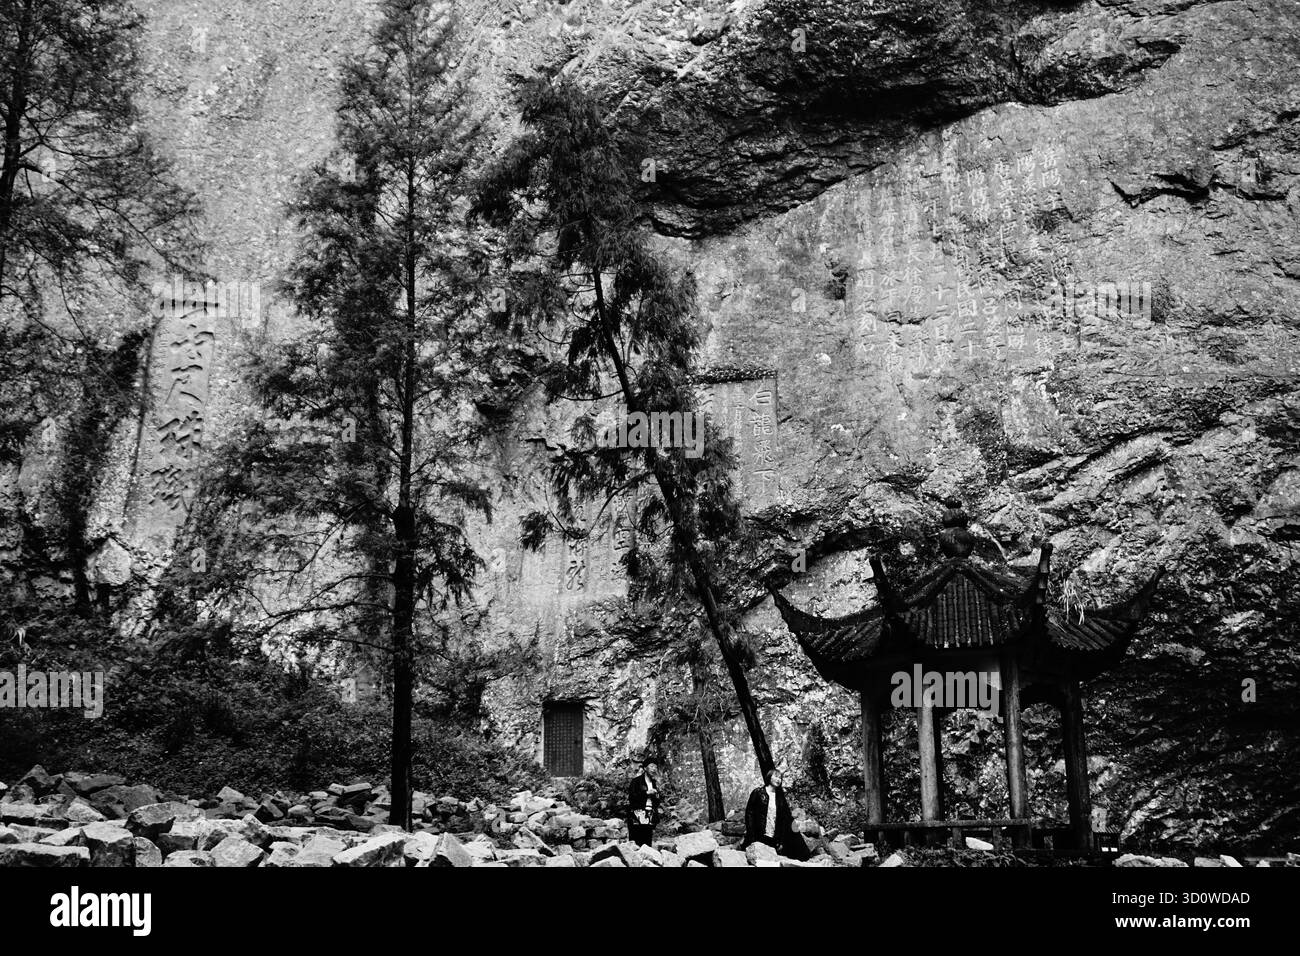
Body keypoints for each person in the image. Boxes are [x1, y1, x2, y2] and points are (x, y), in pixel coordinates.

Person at [741, 767, 810, 860]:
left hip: (773, 838)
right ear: (769, 777)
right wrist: (751, 834)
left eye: (780, 778)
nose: (778, 780)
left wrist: (781, 840)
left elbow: (785, 819)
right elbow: (749, 814)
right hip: (758, 835)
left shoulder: (780, 798)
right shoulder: (758, 792)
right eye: (776, 776)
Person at [627, 759, 662, 847]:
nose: (654, 769)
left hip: (650, 814)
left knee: (647, 842)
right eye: (651, 766)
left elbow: (657, 802)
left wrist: (656, 796)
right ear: (645, 768)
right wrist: (646, 793)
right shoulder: (636, 781)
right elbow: (632, 797)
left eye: (655, 767)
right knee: (636, 841)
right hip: (637, 814)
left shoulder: (654, 783)